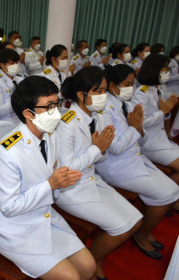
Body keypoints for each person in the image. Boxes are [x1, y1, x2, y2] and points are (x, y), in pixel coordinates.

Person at [0, 76, 96, 280]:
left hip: (43, 216)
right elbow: (9, 207)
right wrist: (51, 184)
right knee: (72, 277)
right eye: (49, 106)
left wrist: (59, 183)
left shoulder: (49, 134)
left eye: (57, 103)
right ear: (28, 113)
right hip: (14, 227)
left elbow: (54, 179)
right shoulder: (7, 150)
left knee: (89, 267)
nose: (56, 112)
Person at [57, 66, 142, 279]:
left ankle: (95, 260)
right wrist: (96, 149)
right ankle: (91, 265)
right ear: (81, 94)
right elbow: (66, 169)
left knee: (135, 219)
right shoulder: (67, 122)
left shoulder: (100, 116)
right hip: (72, 189)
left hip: (93, 179)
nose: (103, 96)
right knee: (122, 227)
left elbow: (101, 157)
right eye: (98, 91)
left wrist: (100, 149)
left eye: (104, 90)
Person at [96, 64, 179, 260]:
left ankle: (144, 232)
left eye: (133, 84)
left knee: (172, 190)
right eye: (127, 84)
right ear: (113, 85)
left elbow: (143, 139)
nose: (131, 88)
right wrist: (135, 129)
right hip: (115, 165)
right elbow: (114, 147)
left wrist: (138, 129)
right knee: (167, 194)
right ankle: (141, 235)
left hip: (134, 157)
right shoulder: (104, 110)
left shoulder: (126, 104)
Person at [131, 54, 179, 191]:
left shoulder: (158, 88)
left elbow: (161, 114)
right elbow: (140, 122)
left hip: (161, 140)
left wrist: (166, 111)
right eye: (164, 69)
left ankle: (172, 197)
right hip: (149, 143)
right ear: (155, 70)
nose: (167, 72)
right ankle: (171, 197)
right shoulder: (142, 92)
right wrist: (162, 112)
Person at [0, 49, 24, 123]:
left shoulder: (20, 79)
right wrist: (17, 101)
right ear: (2, 65)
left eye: (17, 63)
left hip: (22, 117)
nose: (15, 65)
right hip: (6, 120)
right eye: (12, 63)